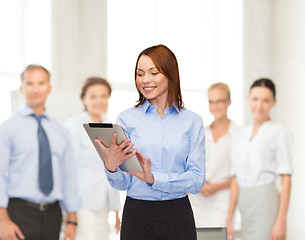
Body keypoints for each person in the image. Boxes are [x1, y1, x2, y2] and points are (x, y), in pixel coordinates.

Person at [94, 44, 206, 240]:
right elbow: (124, 182)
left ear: (171, 74)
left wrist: (153, 178)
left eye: (153, 73)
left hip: (177, 214)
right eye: (139, 74)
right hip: (138, 214)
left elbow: (196, 180)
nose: (145, 80)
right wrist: (111, 168)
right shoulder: (127, 119)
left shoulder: (192, 122)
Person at [0, 65, 80, 240]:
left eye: (41, 83)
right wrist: (2, 220)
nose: (35, 89)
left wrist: (72, 220)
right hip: (18, 213)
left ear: (49, 88)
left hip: (53, 215)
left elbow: (69, 177)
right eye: (30, 83)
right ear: (21, 88)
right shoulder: (7, 128)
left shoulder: (61, 132)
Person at [226, 78, 293, 240]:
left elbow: (286, 180)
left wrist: (281, 221)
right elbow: (235, 178)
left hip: (266, 201)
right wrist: (229, 219)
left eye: (266, 100)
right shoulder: (240, 134)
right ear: (248, 99)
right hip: (244, 201)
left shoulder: (280, 133)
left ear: (274, 102)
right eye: (255, 99)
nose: (259, 106)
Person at [65, 77, 121, 240]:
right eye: (93, 96)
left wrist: (116, 211)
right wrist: (70, 211)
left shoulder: (110, 127)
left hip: (104, 202)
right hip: (82, 202)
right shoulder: (75, 124)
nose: (99, 101)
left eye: (104, 96)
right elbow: (69, 168)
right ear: (84, 99)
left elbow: (112, 167)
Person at [189, 82, 238, 227]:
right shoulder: (202, 132)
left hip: (222, 202)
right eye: (211, 102)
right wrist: (201, 185)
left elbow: (240, 175)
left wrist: (216, 186)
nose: (215, 106)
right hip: (197, 200)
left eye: (220, 101)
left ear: (229, 102)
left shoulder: (238, 135)